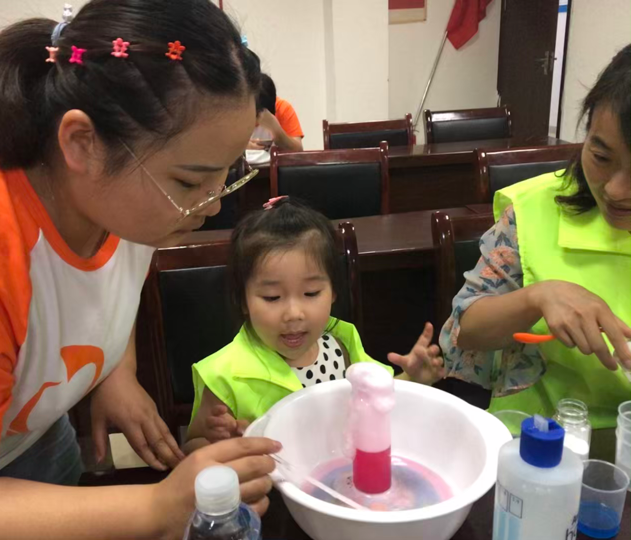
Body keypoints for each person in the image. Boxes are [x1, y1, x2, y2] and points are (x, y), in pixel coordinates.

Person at [0, 1, 280, 538]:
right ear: (82, 143)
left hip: (27, 436)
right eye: (188, 181)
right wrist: (158, 506)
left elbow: (104, 286)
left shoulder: (127, 203)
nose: (213, 203)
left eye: (226, 174)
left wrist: (115, 371)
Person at [439, 45, 631, 429]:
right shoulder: (534, 209)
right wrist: (537, 297)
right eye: (601, 157)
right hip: (537, 436)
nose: (615, 190)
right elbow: (465, 330)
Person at [184, 197, 444, 450]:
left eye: (311, 293)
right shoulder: (223, 375)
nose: (294, 313)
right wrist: (221, 443)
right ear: (243, 300)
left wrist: (412, 377)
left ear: (333, 291)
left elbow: (377, 399)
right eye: (272, 297)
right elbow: (193, 446)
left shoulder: (342, 344)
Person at [248, 73, 304, 152]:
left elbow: (298, 151)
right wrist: (243, 146)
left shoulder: (283, 108)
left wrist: (276, 130)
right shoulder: (238, 109)